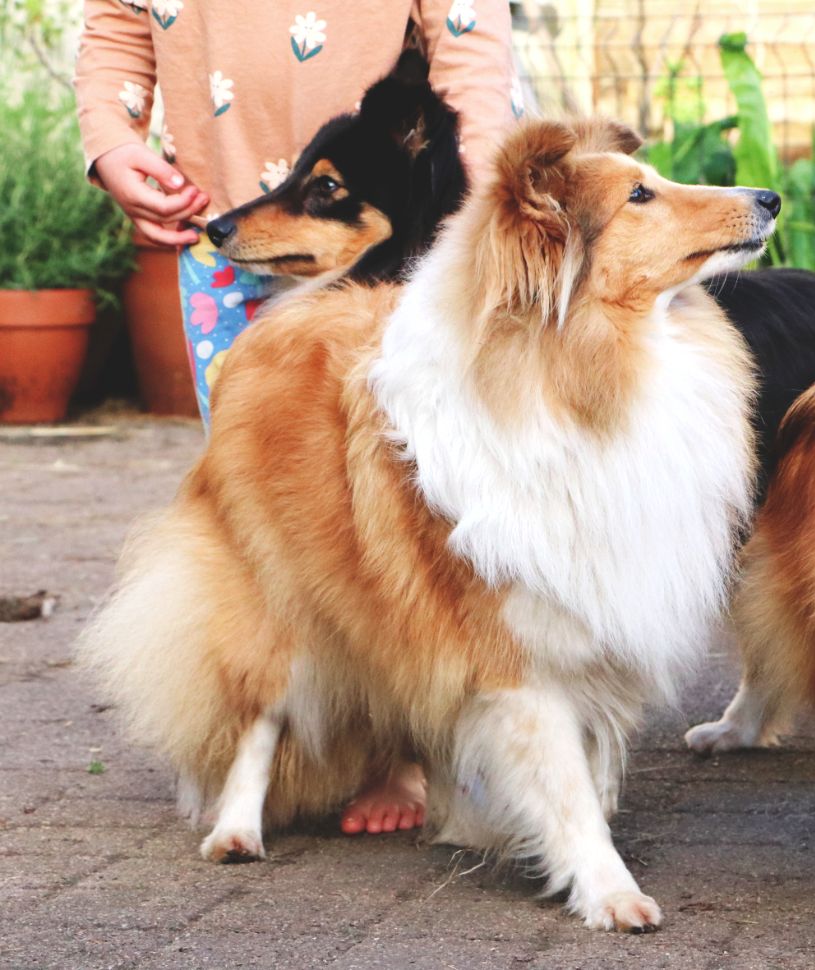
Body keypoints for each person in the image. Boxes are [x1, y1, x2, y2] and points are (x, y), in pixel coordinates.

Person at [74, 0, 517, 834]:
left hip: (387, 227)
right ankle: (264, 721)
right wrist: (114, 141)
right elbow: (118, 20)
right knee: (268, 506)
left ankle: (401, 749)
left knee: (403, 500)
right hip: (220, 227)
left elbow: (467, 37)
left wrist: (470, 193)